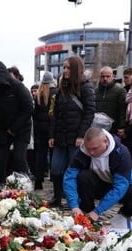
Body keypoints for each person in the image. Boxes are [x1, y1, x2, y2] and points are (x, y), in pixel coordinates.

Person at [64, 127, 132, 228]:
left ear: (105, 141)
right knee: (83, 176)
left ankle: (122, 216)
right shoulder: (82, 152)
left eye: (95, 148)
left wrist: (98, 211)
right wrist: (74, 205)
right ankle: (86, 213)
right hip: (98, 184)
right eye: (88, 148)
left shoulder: (121, 153)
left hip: (120, 186)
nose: (91, 153)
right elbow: (69, 178)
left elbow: (121, 186)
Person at [48, 55, 95, 206]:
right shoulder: (62, 88)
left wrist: (81, 135)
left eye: (68, 67)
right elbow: (56, 114)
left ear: (75, 69)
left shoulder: (86, 87)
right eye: (64, 67)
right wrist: (52, 135)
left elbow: (89, 112)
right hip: (61, 137)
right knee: (56, 169)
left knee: (73, 171)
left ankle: (74, 201)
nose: (65, 70)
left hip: (76, 137)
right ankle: (57, 197)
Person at [0, 61, 34, 185]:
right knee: (0, 160)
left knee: (18, 158)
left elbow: (28, 108)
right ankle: (0, 184)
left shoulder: (17, 87)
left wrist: (14, 128)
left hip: (21, 127)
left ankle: (25, 184)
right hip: (2, 127)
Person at [32, 71, 57, 190]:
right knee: (54, 154)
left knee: (40, 154)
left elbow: (35, 114)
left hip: (40, 128)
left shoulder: (38, 94)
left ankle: (38, 180)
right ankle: (54, 178)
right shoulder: (56, 93)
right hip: (53, 128)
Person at [95, 66, 127, 135]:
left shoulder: (120, 91)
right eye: (103, 76)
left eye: (108, 76)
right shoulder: (95, 92)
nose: (105, 79)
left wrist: (121, 127)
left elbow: (122, 111)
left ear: (112, 77)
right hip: (97, 128)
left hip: (113, 129)